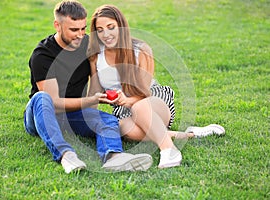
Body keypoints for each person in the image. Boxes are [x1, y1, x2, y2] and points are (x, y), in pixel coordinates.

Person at [87, 5, 225, 169]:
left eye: (111, 27)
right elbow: (94, 93)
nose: (106, 35)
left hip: (152, 100)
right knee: (124, 128)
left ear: (121, 26)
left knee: (140, 106)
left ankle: (169, 150)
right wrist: (94, 106)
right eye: (100, 30)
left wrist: (128, 100)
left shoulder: (141, 49)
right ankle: (191, 134)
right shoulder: (96, 56)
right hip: (123, 110)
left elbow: (144, 92)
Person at [24, 0, 153, 174]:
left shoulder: (86, 45)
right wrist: (89, 101)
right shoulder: (43, 55)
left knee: (108, 120)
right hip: (41, 115)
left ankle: (114, 157)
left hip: (73, 115)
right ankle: (66, 155)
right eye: (74, 30)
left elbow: (114, 43)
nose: (80, 35)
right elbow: (54, 103)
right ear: (57, 25)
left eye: (83, 29)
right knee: (42, 98)